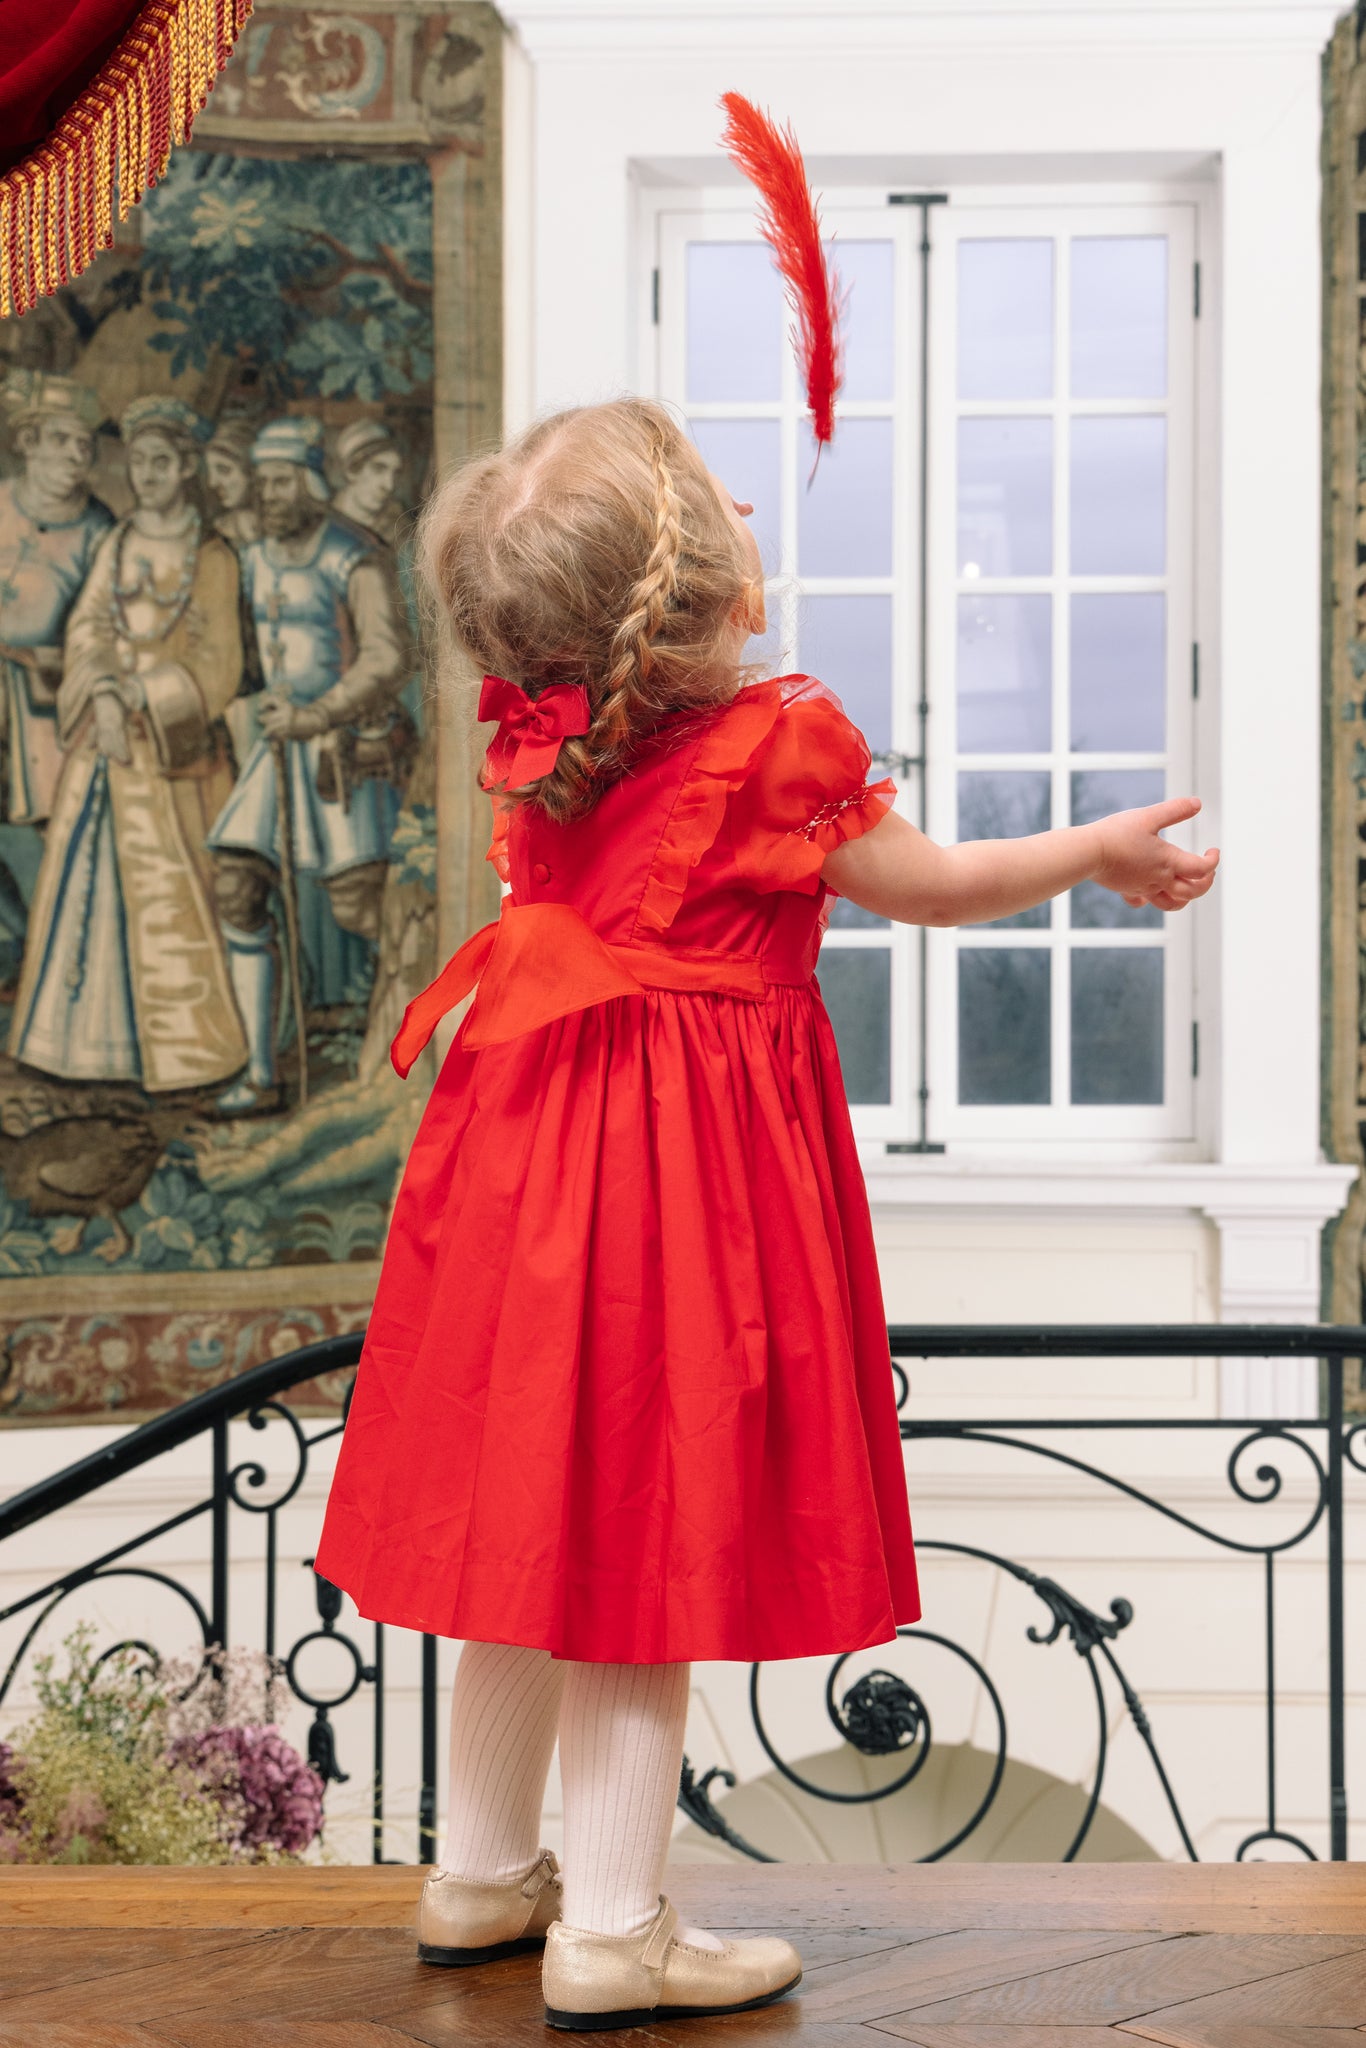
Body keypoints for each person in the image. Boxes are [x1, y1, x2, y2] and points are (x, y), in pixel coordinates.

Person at [313, 398, 1219, 2031]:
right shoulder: (777, 735)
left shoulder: (542, 722)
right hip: (663, 1172)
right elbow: (930, 883)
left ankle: (477, 1872)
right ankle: (613, 1924)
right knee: (632, 1530)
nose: (742, 493)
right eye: (710, 495)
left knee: (538, 1510)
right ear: (700, 591)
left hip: (523, 1153)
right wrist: (1092, 848)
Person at [8, 396, 249, 1092]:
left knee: (176, 902)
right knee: (91, 889)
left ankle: (183, 1058)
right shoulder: (115, 543)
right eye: (138, 461)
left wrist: (145, 695)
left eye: (161, 462)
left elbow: (219, 665)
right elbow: (87, 630)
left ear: (186, 468)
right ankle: (85, 1051)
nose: (146, 475)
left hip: (178, 762)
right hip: (108, 751)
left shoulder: (211, 554)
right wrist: (107, 694)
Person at [205, 415, 413, 1115]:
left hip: (341, 753)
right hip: (277, 752)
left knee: (360, 904)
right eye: (260, 481)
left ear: (310, 483)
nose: (267, 494)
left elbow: (388, 658)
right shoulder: (254, 559)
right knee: (237, 886)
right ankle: (261, 1075)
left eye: (279, 480)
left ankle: (400, 1064)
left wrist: (318, 714)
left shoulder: (353, 556)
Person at [0, 372, 113, 831]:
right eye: (62, 439)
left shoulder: (99, 529)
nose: (75, 455)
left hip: (50, 700)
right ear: (28, 442)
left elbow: (105, 624)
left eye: (84, 445)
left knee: (53, 826)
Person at [332, 418, 404, 544]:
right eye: (378, 469)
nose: (389, 485)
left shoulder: (402, 531)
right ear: (352, 471)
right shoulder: (324, 525)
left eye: (395, 473)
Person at [204, 417, 260, 549]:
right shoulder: (213, 535)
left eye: (224, 470)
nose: (212, 483)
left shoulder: (278, 531)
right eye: (209, 472)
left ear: (252, 472)